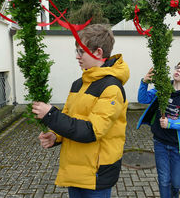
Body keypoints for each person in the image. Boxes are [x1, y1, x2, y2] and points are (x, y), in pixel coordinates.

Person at [31, 24, 130, 198]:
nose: (77, 56)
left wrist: (50, 115)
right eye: (76, 51)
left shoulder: (111, 87)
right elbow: (70, 117)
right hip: (75, 170)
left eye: (80, 51)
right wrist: (56, 136)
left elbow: (90, 130)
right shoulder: (78, 84)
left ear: (98, 52)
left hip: (96, 174)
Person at [137, 56, 180, 198]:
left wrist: (171, 124)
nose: (178, 70)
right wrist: (144, 82)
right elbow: (143, 99)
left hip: (177, 146)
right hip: (160, 142)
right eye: (177, 67)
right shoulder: (163, 89)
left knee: (176, 182)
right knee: (164, 180)